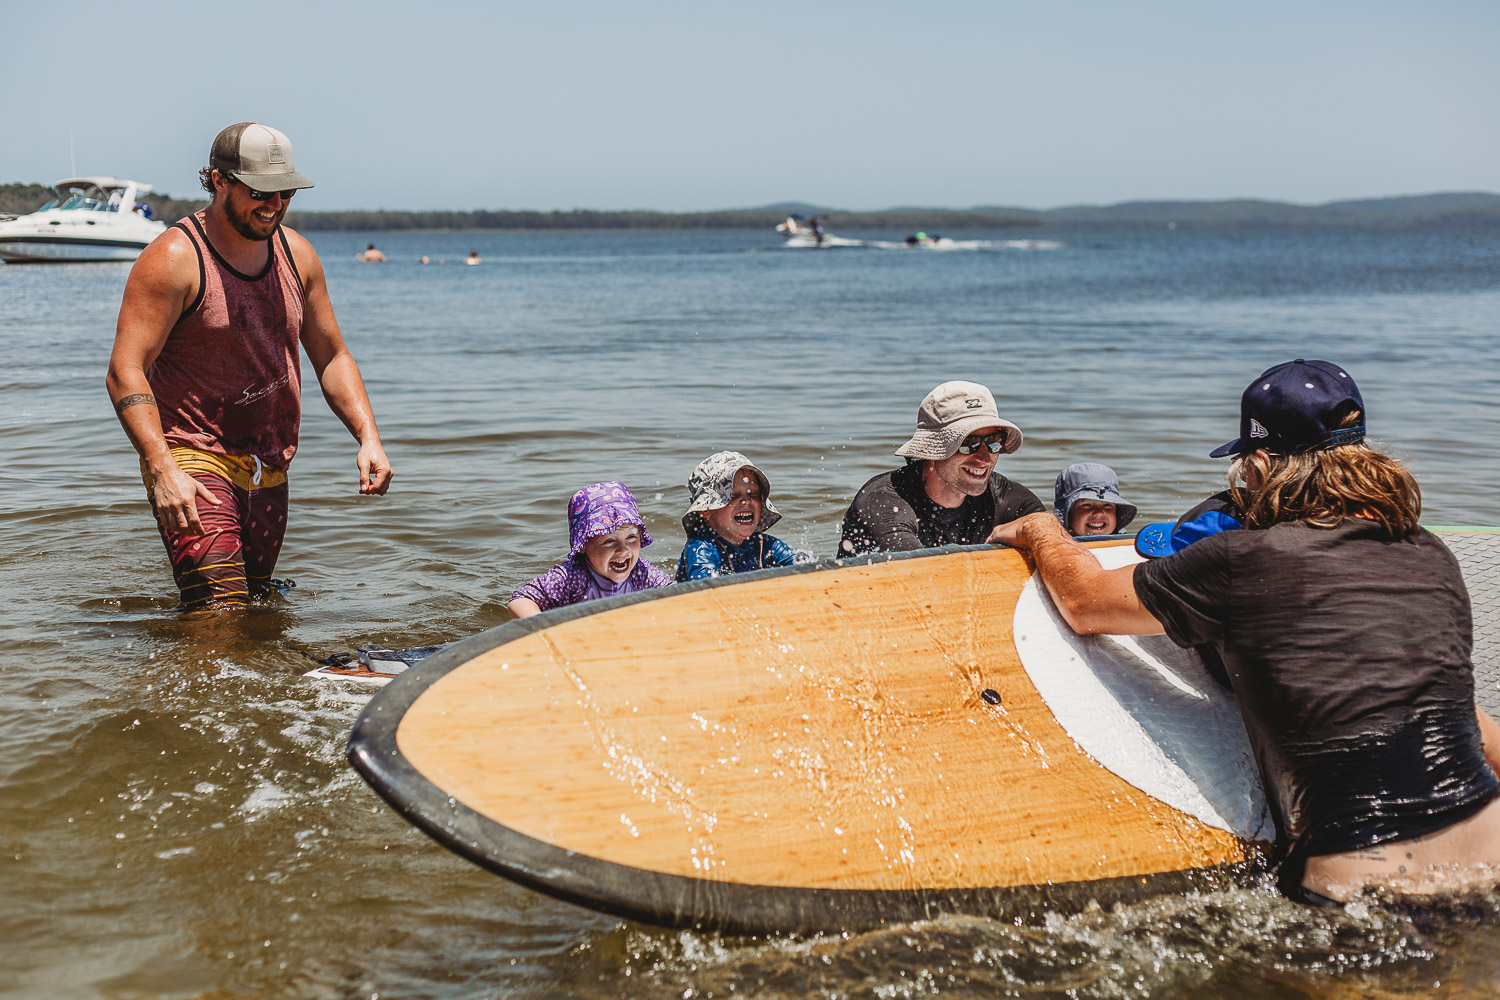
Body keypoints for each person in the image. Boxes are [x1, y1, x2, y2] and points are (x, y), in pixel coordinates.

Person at [989, 359, 1500, 905]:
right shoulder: (1429, 553)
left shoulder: (1239, 560)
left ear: (1258, 463)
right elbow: (1460, 712)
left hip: (1361, 880)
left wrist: (1040, 526)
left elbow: (1085, 602)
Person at [105, 121, 393, 611]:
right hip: (191, 458)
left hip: (268, 464)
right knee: (220, 611)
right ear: (218, 180)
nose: (274, 204)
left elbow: (331, 355)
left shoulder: (296, 254)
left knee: (256, 606)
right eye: (260, 191)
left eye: (285, 192)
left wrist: (368, 436)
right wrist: (161, 466)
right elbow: (125, 370)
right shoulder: (174, 259)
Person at [838, 381, 1043, 556]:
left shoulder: (1006, 498)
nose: (984, 458)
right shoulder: (883, 501)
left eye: (994, 441)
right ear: (932, 451)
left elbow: (1059, 542)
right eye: (968, 442)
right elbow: (923, 572)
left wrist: (1036, 531)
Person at [509, 482, 673, 618]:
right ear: (583, 546)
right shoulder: (573, 578)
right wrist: (542, 627)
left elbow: (677, 595)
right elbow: (521, 599)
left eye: (631, 538)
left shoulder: (641, 573)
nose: (623, 550)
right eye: (609, 541)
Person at [676, 452, 798, 581]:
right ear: (706, 510)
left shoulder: (766, 546)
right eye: (732, 495)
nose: (746, 501)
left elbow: (807, 570)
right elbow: (706, 591)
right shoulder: (701, 548)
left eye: (753, 493)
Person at [1053, 462, 1137, 537]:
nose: (1098, 513)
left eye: (1107, 505)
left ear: (1117, 514)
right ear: (1067, 515)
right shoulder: (1048, 546)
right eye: (1087, 505)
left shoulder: (1131, 545)